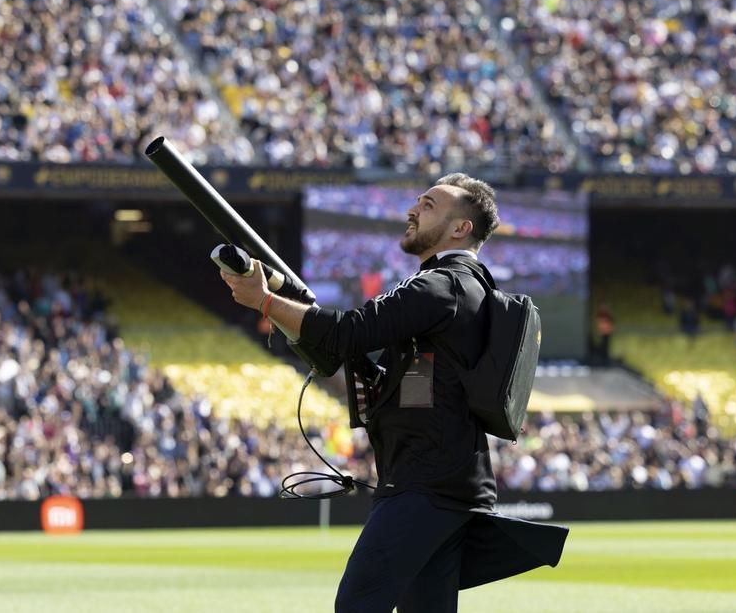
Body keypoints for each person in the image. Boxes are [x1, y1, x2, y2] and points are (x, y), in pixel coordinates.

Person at [220, 173, 567, 612]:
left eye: (428, 205)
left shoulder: (441, 284)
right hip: (445, 484)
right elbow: (415, 379)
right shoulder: (469, 287)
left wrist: (266, 302)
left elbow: (347, 333)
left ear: (461, 227)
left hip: (424, 484)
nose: (412, 210)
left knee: (358, 604)